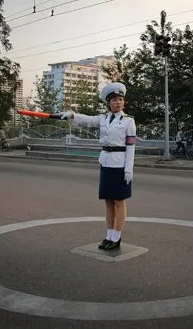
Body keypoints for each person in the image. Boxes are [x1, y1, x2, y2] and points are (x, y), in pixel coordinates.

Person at [58, 82, 136, 251]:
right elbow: (87, 119)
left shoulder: (129, 121)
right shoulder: (103, 119)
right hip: (106, 162)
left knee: (119, 201)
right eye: (114, 99)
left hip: (120, 164)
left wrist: (129, 169)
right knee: (108, 201)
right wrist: (71, 115)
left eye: (120, 99)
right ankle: (108, 235)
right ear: (108, 103)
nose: (118, 102)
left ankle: (117, 237)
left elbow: (131, 146)